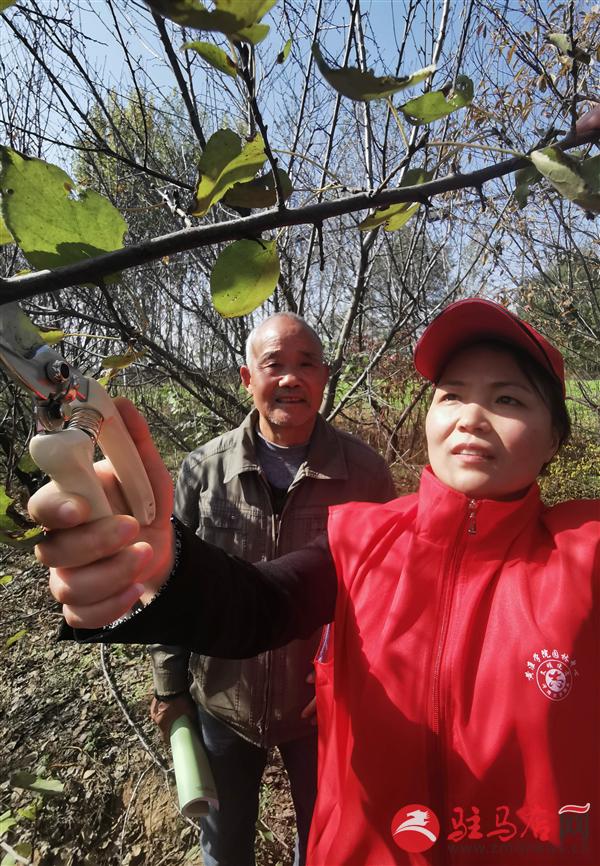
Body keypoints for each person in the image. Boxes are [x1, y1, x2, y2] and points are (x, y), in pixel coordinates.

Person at [32, 298, 600, 866]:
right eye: (452, 394)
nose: (471, 417)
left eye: (507, 398)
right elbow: (260, 603)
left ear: (554, 437)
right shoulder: (363, 540)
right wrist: (162, 571)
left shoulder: (585, 558)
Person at [147, 312, 395, 866]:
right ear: (245, 378)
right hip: (221, 701)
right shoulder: (203, 471)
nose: (290, 378)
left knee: (328, 844)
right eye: (274, 365)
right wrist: (170, 686)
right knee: (223, 846)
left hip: (321, 710)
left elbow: (384, 600)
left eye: (306, 364)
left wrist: (348, 681)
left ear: (325, 377)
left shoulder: (366, 475)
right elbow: (169, 586)